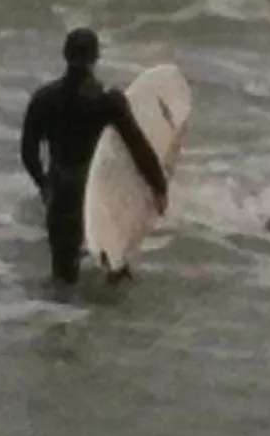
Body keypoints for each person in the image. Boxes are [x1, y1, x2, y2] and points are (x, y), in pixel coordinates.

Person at [21, 27, 168, 286]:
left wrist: (44, 185)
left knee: (63, 277)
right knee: (114, 267)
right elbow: (138, 147)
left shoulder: (43, 99)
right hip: (99, 192)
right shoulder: (108, 101)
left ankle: (54, 312)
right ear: (95, 57)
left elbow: (28, 152)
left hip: (62, 193)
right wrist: (158, 186)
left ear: (65, 55)